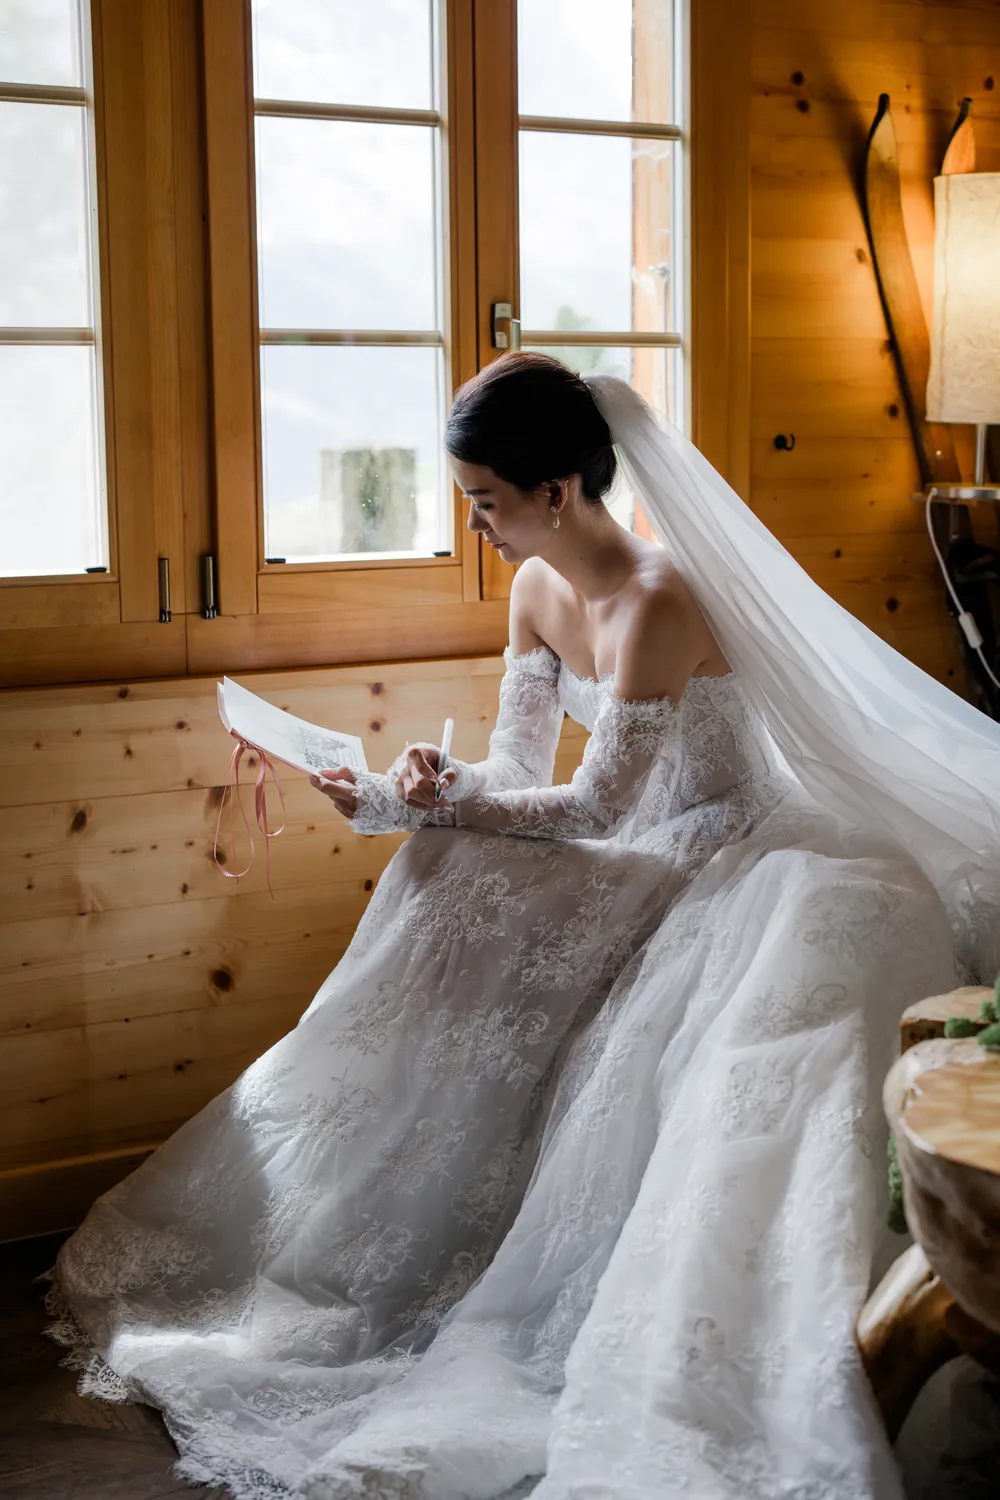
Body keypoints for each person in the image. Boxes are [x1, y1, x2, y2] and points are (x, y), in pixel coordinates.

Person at [47, 354, 998, 1500]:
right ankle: (383, 1186)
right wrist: (428, 781)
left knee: (449, 857)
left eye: (488, 503)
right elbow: (515, 770)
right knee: (440, 863)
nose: (479, 528)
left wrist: (417, 806)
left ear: (557, 491)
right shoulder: (537, 588)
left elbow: (602, 805)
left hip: (715, 851)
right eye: (468, 503)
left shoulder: (656, 598)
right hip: (625, 846)